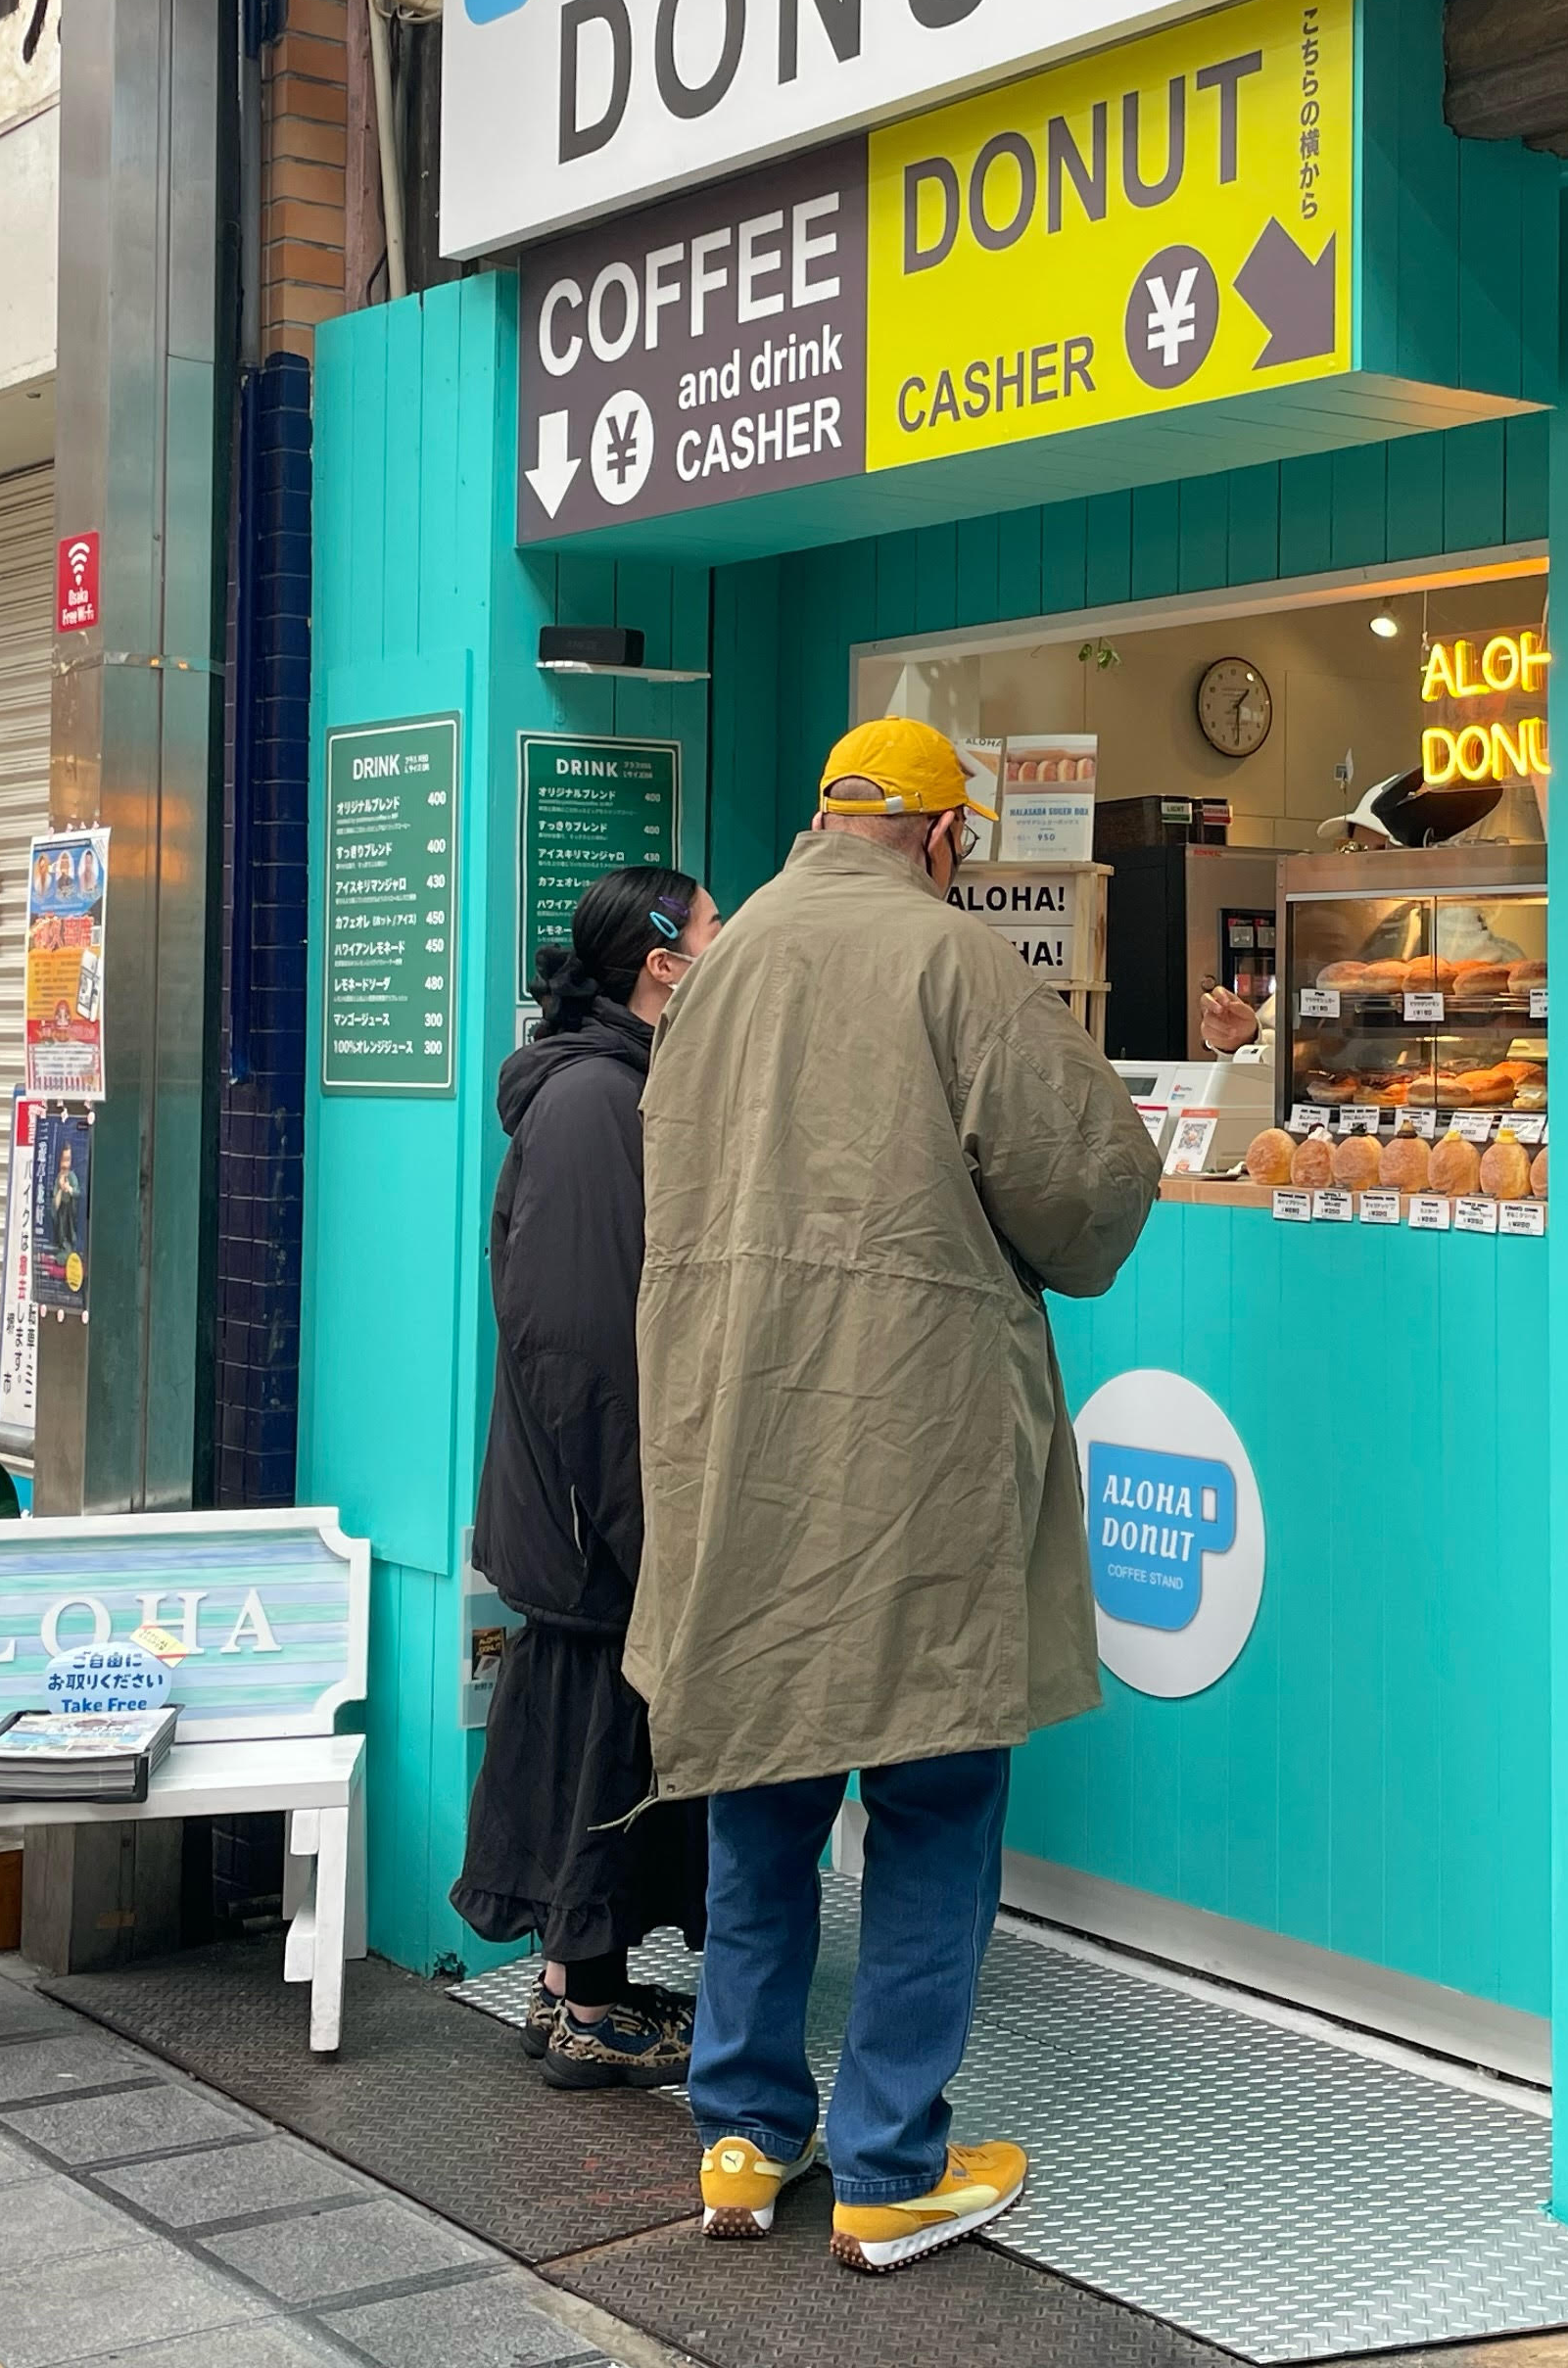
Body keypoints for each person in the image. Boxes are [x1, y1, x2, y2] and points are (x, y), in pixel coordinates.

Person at [631, 718, 1161, 2271]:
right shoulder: (955, 964)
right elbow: (1087, 1198)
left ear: (824, 822)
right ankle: (887, 2167)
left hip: (736, 1444)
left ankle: (739, 2137)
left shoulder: (713, 970)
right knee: (932, 1801)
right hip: (908, 1455)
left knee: (762, 1777)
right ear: (942, 842)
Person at [451, 864, 720, 2090]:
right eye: (712, 928)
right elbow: (585, 1340)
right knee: (600, 1739)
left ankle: (577, 1987)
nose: (725, 945)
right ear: (663, 963)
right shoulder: (598, 1105)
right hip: (588, 1506)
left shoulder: (613, 1089)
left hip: (584, 1501)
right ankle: (584, 2002)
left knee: (597, 1737)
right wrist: (635, 1515)